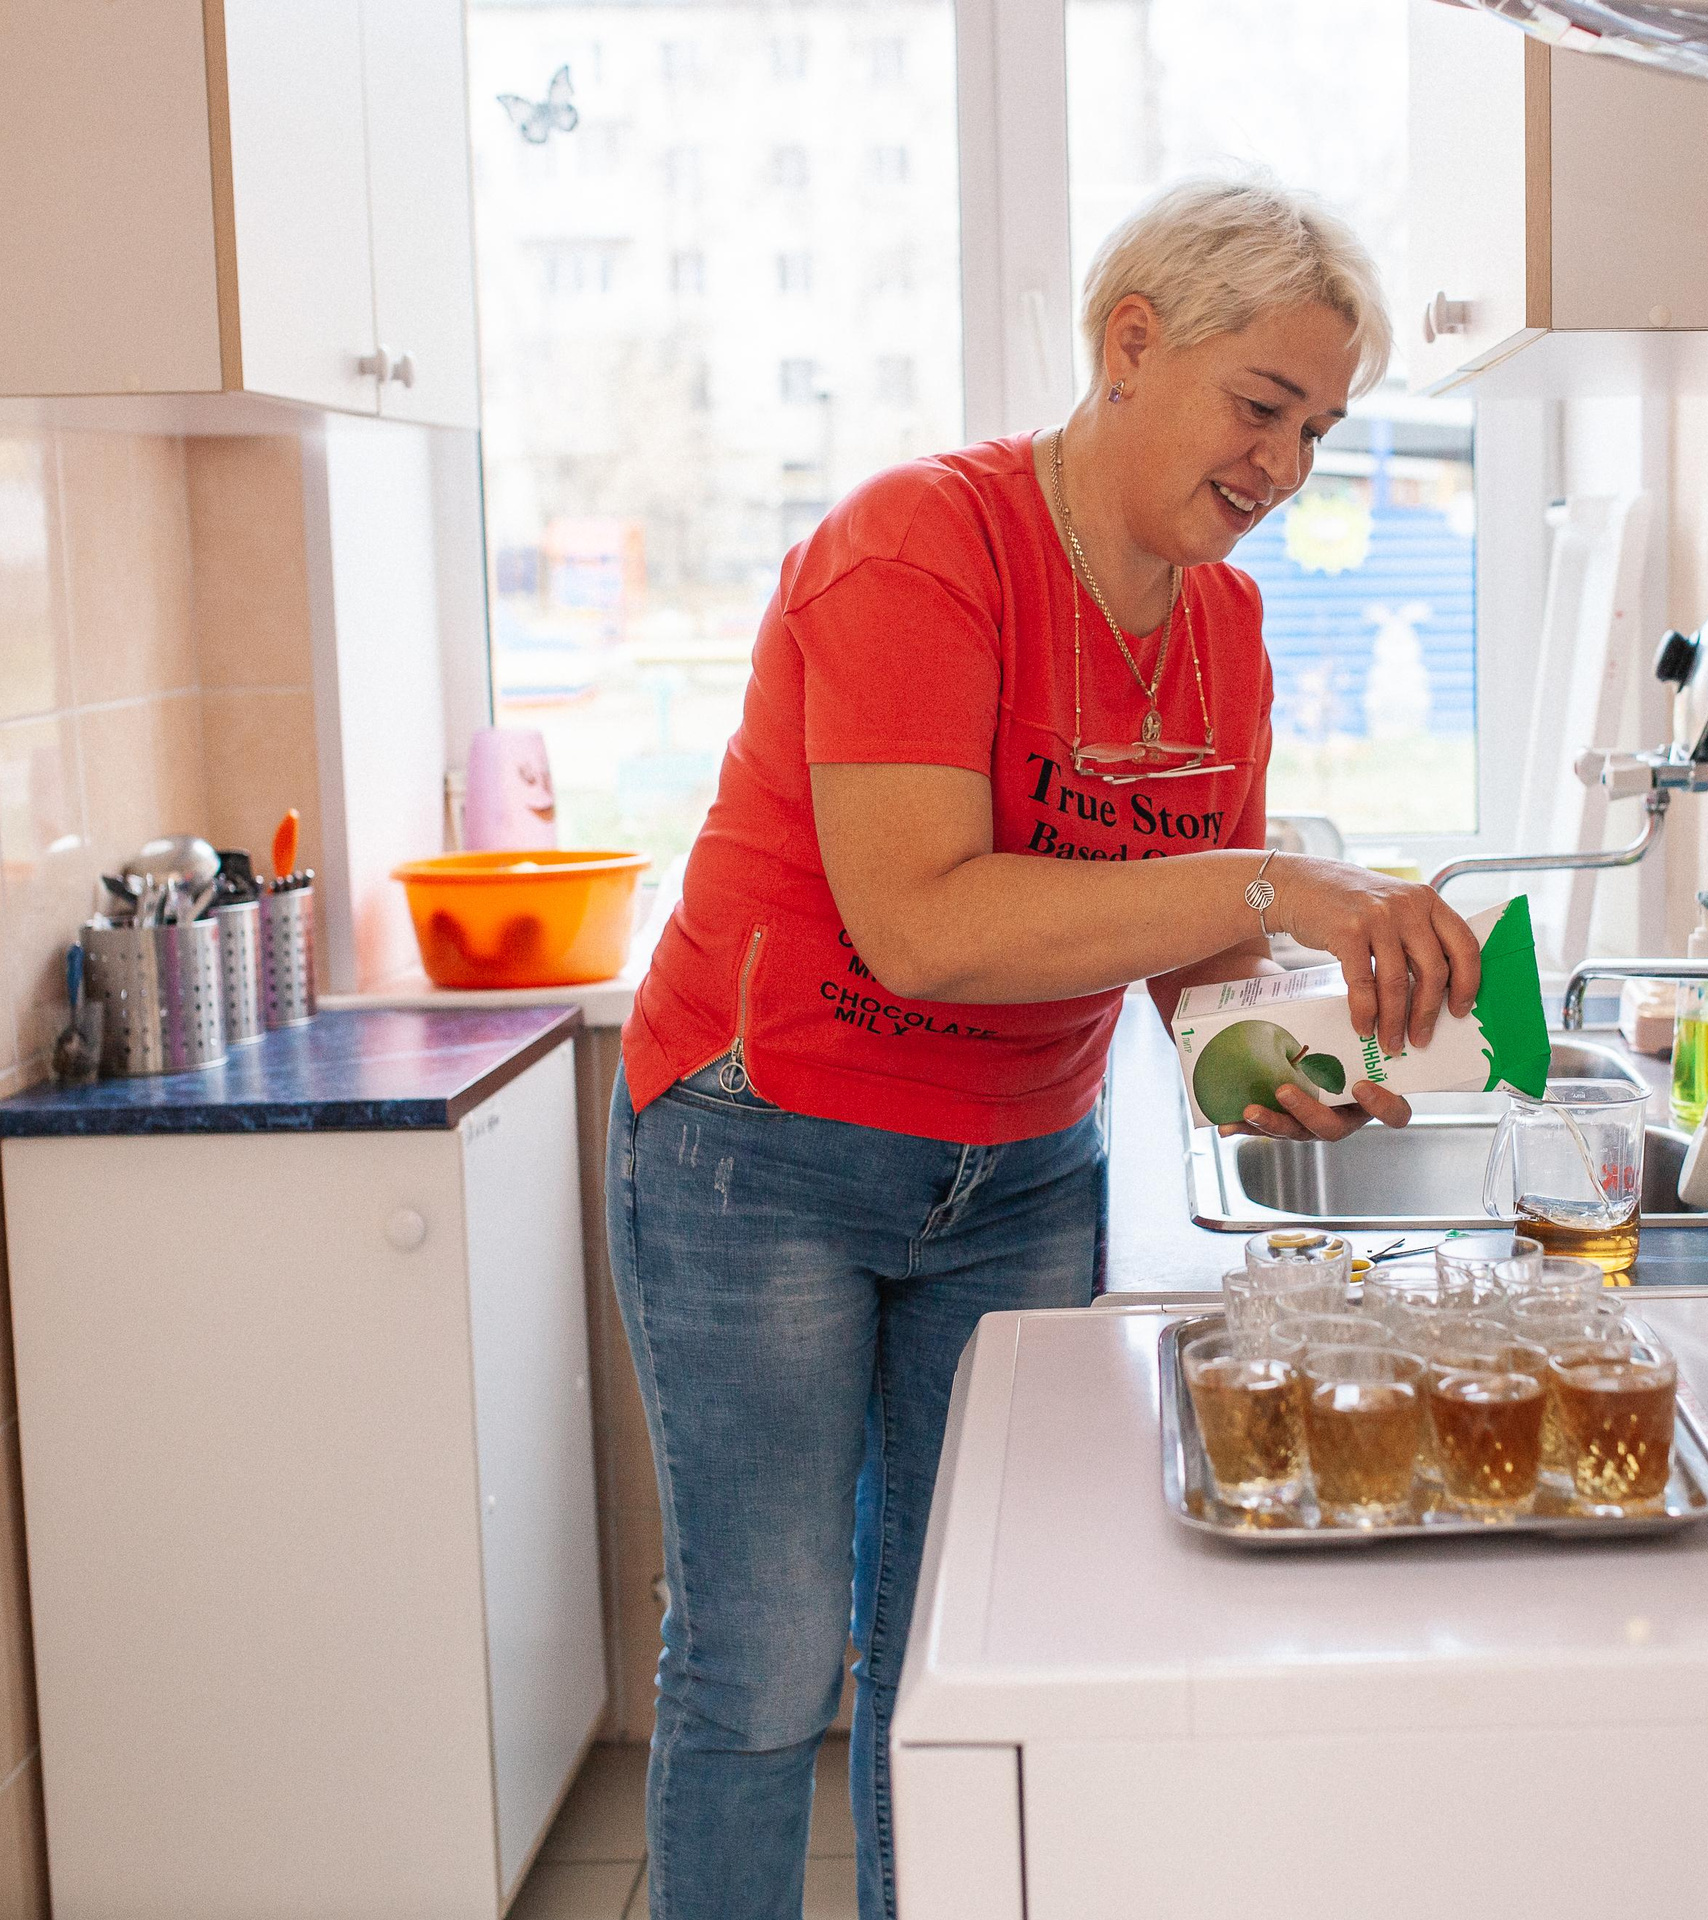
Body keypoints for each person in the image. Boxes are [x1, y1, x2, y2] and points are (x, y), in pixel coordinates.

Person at [606, 176, 1483, 1920]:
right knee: (770, 1659)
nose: (1285, 465)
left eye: (1318, 427)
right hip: (767, 1143)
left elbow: (1185, 953)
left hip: (1019, 1172)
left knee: (952, 1656)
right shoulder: (920, 546)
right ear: (1129, 342)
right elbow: (918, 921)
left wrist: (1273, 1066)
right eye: (1262, 407)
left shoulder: (1224, 629)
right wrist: (1284, 876)